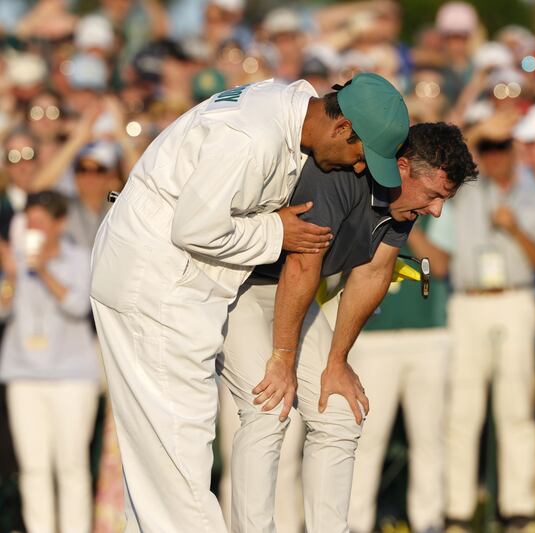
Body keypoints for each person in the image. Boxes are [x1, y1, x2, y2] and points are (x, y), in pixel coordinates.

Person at [89, 72, 409, 532]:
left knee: (163, 465)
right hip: (156, 288)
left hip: (164, 283)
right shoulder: (252, 136)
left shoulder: (280, 107)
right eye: (362, 156)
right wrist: (277, 232)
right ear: (342, 128)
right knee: (179, 456)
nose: (360, 170)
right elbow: (195, 229)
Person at [218, 122, 477, 533]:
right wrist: (283, 359)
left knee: (341, 412)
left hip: (293, 297)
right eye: (433, 196)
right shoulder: (339, 176)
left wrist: (337, 361)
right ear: (403, 167)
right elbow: (302, 265)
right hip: (238, 287)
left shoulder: (402, 204)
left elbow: (374, 273)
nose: (436, 211)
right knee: (267, 409)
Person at [432, 116, 535, 533]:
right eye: (488, 149)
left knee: (515, 408)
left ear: (513, 153)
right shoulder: (464, 193)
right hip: (468, 302)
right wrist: (481, 133)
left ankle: (518, 509)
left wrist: (515, 229)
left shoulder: (534, 197)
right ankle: (458, 512)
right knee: (462, 411)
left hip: (516, 298)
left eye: (502, 149)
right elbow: (452, 153)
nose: (495, 156)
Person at [0, 191, 99, 533]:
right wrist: (11, 278)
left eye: (40, 222)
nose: (33, 229)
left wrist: (42, 269)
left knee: (71, 464)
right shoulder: (12, 259)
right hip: (23, 375)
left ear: (59, 224)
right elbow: (3, 310)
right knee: (33, 467)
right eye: (29, 222)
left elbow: (77, 306)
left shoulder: (80, 258)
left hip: (73, 376)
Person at [347, 213, 451, 533]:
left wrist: (410, 229)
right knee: (365, 440)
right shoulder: (367, 213)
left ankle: (428, 521)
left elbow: (441, 266)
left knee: (429, 437)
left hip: (429, 338)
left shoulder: (435, 213)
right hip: (373, 338)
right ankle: (354, 523)